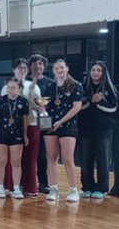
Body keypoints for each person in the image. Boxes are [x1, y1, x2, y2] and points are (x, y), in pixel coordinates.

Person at [43, 59, 83, 202]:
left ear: (67, 68)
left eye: (61, 67)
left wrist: (61, 121)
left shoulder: (76, 85)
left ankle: (73, 189)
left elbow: (77, 106)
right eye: (56, 68)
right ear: (53, 71)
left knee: (67, 158)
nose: (59, 70)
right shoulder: (49, 86)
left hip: (67, 124)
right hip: (50, 125)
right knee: (52, 157)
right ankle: (53, 188)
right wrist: (42, 112)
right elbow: (45, 106)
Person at [2, 58, 42, 196]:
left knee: (30, 158)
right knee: (11, 159)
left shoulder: (34, 86)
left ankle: (30, 187)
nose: (22, 70)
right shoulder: (6, 87)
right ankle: (10, 186)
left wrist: (39, 106)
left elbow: (39, 107)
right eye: (19, 68)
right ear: (14, 70)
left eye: (25, 68)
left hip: (31, 125)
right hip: (11, 127)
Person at [78, 61, 116, 199]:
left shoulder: (110, 89)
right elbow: (76, 106)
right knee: (85, 159)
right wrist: (90, 99)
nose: (95, 72)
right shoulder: (82, 87)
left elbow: (114, 108)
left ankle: (101, 188)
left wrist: (101, 101)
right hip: (85, 129)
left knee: (103, 160)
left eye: (98, 70)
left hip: (104, 130)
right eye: (93, 70)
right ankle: (87, 187)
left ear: (103, 72)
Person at [0, 78, 30, 199]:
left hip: (16, 134)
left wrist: (25, 134)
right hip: (1, 134)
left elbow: (25, 119)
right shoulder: (0, 100)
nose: (10, 90)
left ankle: (16, 188)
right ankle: (0, 187)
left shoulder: (23, 101)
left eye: (13, 87)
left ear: (19, 89)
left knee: (16, 162)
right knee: (1, 161)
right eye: (9, 87)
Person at [29, 54, 54, 193]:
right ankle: (25, 181)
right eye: (34, 64)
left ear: (44, 66)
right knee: (27, 152)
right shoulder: (25, 82)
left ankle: (43, 182)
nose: (37, 66)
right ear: (30, 66)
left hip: (45, 120)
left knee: (43, 153)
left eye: (40, 64)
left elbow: (53, 102)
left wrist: (43, 109)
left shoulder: (50, 83)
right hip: (29, 120)